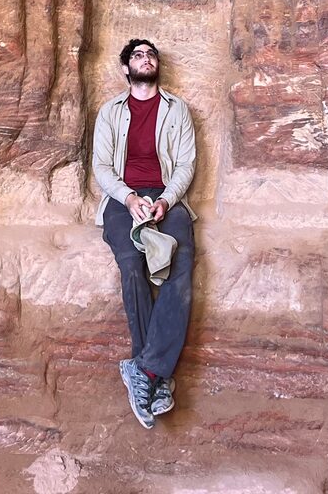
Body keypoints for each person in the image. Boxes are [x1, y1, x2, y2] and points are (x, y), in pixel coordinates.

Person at [92, 38, 197, 429]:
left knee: (180, 264)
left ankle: (145, 371)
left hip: (167, 198)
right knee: (132, 265)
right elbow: (102, 167)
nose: (145, 59)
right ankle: (154, 374)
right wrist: (129, 197)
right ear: (126, 68)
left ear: (157, 65)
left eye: (150, 54)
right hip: (123, 200)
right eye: (137, 55)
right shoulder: (110, 112)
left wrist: (166, 201)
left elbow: (185, 165)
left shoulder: (177, 110)